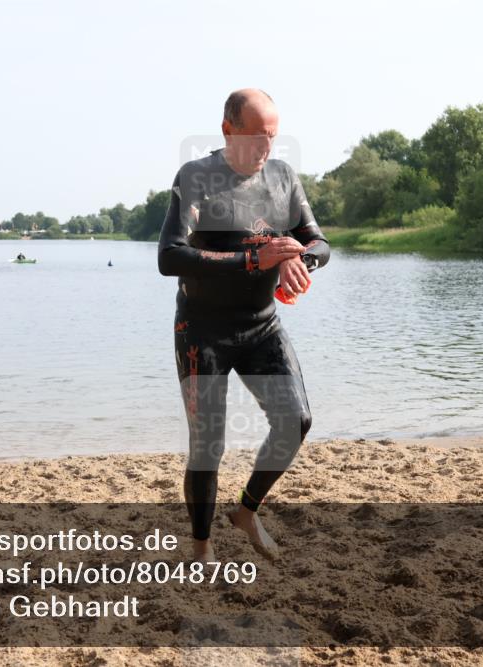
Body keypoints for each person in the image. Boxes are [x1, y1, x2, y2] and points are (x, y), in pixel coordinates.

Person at [158, 89, 330, 562]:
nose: (265, 149)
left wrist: (299, 259)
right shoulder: (195, 178)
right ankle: (201, 546)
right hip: (203, 331)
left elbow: (319, 242)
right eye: (255, 137)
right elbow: (170, 257)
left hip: (261, 327)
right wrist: (253, 259)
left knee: (296, 422)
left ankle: (247, 510)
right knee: (208, 444)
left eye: (272, 138)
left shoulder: (282, 178)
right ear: (228, 130)